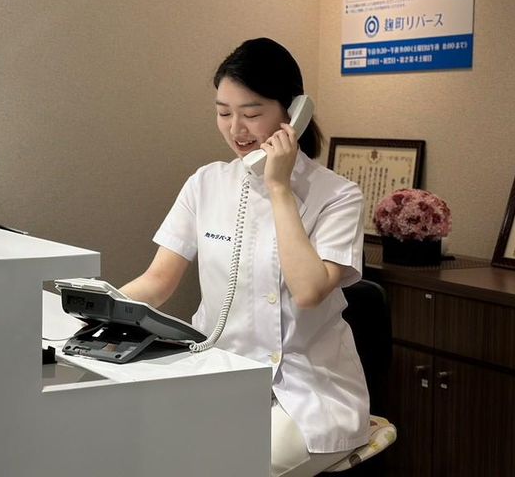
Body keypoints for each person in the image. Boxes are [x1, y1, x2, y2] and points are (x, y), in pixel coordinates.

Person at [120, 38, 369, 477]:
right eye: (223, 113)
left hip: (305, 393)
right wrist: (101, 309)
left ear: (293, 112)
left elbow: (309, 291)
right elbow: (158, 281)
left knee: (231, 465)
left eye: (251, 114)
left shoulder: (338, 196)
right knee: (139, 450)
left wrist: (278, 186)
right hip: (216, 373)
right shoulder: (206, 183)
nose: (236, 129)